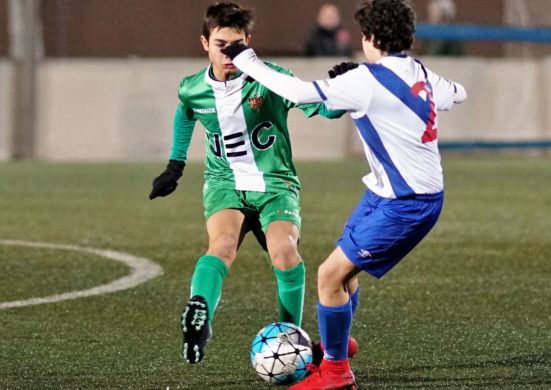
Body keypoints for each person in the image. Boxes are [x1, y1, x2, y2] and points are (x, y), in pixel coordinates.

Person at [221, 0, 467, 387]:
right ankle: (340, 345)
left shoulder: (366, 81)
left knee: (329, 276)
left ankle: (336, 374)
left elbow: (298, 93)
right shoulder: (418, 72)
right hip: (388, 195)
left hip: (408, 204)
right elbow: (459, 93)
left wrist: (247, 59)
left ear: (369, 38)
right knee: (344, 273)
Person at [148, 2, 345, 365]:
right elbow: (185, 111)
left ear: (249, 43)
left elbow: (320, 107)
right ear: (204, 42)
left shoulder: (270, 79)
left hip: (275, 184)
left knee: (284, 252)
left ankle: (290, 341)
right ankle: (200, 316)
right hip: (225, 183)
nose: (229, 54)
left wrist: (341, 92)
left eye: (237, 45)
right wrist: (175, 165)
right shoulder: (193, 88)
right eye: (221, 44)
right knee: (221, 245)